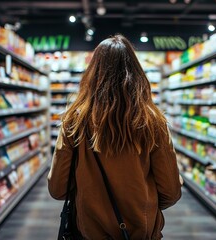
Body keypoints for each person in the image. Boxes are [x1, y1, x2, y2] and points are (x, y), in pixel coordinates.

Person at [48, 34, 182, 240]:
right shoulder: (154, 122)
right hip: (141, 232)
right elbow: (171, 191)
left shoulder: (74, 121)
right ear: (137, 72)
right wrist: (144, 205)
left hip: (89, 233)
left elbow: (57, 189)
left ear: (93, 73)